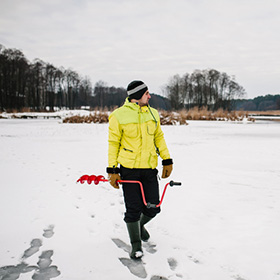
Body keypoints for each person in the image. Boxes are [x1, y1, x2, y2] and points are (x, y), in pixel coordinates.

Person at [106, 80, 173, 259]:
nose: (149, 96)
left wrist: (167, 159)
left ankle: (139, 226)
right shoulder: (118, 116)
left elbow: (159, 137)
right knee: (133, 209)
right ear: (137, 96)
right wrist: (112, 170)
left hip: (150, 169)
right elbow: (113, 143)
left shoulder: (153, 113)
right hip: (129, 170)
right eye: (146, 94)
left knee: (153, 207)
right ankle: (136, 245)